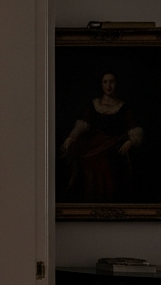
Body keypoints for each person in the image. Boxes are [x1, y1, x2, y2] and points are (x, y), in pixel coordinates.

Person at [61, 72, 144, 203]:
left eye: (112, 82)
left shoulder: (124, 107)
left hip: (113, 144)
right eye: (105, 82)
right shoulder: (94, 104)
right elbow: (83, 124)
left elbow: (134, 129)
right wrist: (71, 138)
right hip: (94, 142)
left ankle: (106, 198)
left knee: (103, 160)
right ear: (101, 84)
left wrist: (130, 142)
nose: (108, 85)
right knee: (78, 155)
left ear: (116, 84)